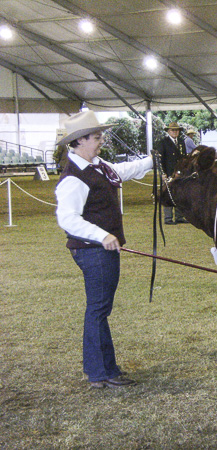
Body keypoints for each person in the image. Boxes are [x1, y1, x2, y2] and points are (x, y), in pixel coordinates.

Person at [54, 110, 154, 389]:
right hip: (93, 251)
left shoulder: (97, 166)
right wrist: (102, 236)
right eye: (97, 137)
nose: (101, 142)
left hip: (100, 250)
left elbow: (122, 172)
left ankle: (98, 368)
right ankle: (101, 372)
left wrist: (151, 161)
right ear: (79, 141)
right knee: (98, 310)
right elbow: (68, 219)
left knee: (99, 309)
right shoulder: (74, 177)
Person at [156, 122, 187, 224]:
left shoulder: (181, 142)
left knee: (179, 194)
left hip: (180, 173)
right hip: (168, 172)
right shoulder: (163, 142)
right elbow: (159, 159)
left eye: (177, 130)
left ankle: (179, 216)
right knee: (168, 194)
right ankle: (168, 218)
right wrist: (162, 173)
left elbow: (184, 158)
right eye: (173, 130)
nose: (175, 132)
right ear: (168, 131)